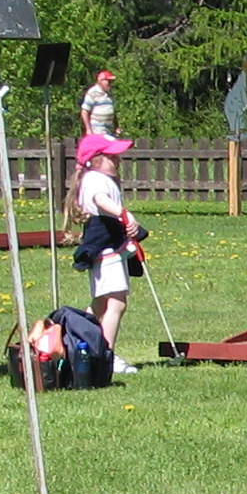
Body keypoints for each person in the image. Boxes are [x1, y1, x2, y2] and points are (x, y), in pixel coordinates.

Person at [69, 132, 144, 375]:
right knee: (116, 302)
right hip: (104, 245)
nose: (117, 160)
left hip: (110, 243)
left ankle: (80, 342)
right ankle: (106, 355)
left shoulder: (99, 177)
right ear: (94, 159)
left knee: (101, 303)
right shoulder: (94, 178)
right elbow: (100, 200)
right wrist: (124, 214)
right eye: (111, 157)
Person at [78, 70, 117, 138]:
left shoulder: (109, 94)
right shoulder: (93, 92)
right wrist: (88, 129)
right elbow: (84, 111)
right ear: (100, 81)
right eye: (108, 81)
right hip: (97, 131)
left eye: (111, 81)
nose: (110, 83)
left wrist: (116, 126)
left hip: (109, 131)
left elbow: (112, 111)